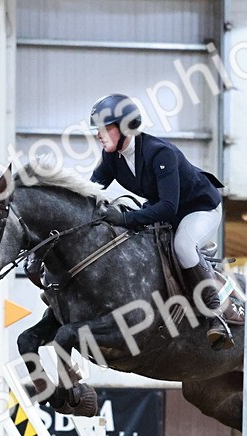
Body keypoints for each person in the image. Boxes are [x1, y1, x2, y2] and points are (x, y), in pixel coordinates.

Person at [87, 93, 232, 350]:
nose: (98, 134)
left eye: (104, 128)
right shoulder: (112, 157)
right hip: (166, 209)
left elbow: (168, 207)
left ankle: (215, 312)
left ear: (124, 128)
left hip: (200, 207)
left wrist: (125, 218)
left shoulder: (159, 152)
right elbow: (91, 190)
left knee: (183, 246)